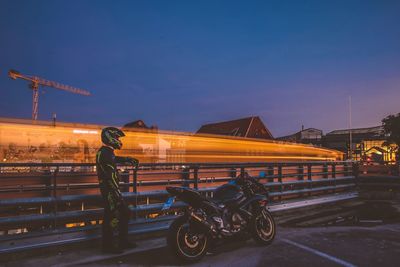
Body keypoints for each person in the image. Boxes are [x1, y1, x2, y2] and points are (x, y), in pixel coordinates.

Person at [96, 127, 139, 253]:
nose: (118, 140)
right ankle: (108, 246)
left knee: (121, 213)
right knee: (112, 216)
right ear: (110, 137)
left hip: (109, 189)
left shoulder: (105, 152)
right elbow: (110, 175)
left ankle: (120, 242)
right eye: (117, 137)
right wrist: (116, 191)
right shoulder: (105, 153)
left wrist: (127, 159)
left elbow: (114, 159)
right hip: (110, 190)